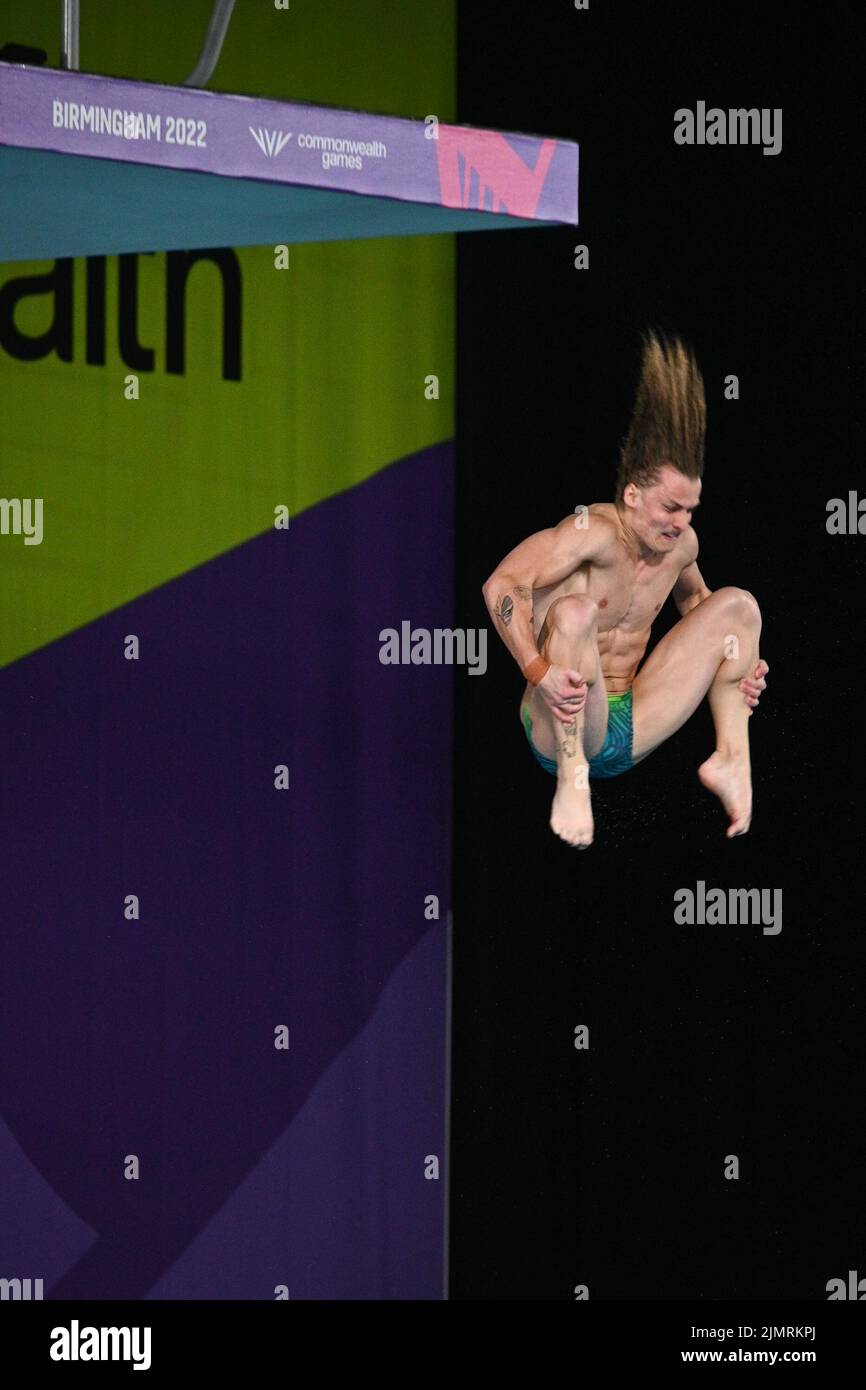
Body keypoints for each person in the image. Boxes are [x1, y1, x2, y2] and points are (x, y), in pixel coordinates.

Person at [481, 329, 769, 848]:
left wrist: (739, 664)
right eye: (670, 508)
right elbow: (503, 584)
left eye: (689, 510)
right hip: (561, 722)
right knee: (573, 613)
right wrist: (537, 671)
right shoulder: (589, 533)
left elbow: (697, 604)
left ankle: (732, 760)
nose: (681, 523)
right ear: (632, 495)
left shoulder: (680, 546)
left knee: (739, 607)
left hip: (632, 720)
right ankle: (573, 777)